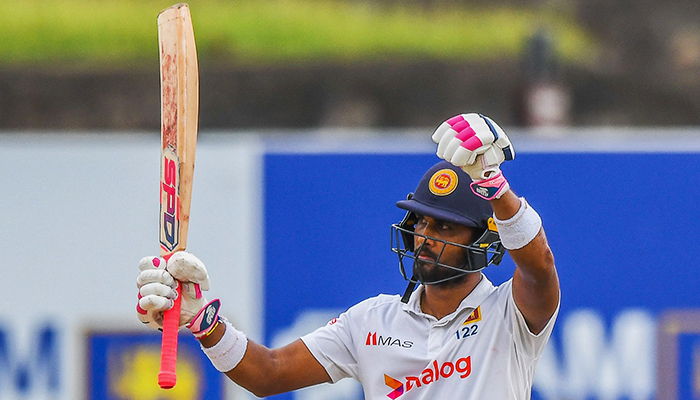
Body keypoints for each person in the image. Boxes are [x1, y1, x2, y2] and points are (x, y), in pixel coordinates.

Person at [137, 113, 560, 399]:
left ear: (483, 241)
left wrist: (494, 187)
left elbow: (539, 268)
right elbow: (270, 373)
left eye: (445, 227)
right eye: (421, 224)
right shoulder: (371, 321)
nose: (425, 237)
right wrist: (202, 322)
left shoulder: (511, 315)